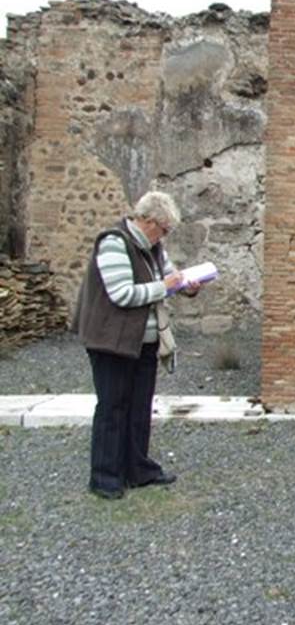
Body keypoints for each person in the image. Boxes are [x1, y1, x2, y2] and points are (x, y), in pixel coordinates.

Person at [72, 191, 202, 500]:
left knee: (139, 407)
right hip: (111, 342)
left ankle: (138, 469)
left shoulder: (154, 247)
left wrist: (186, 286)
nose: (165, 236)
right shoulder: (114, 243)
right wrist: (164, 287)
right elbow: (122, 294)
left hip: (144, 342)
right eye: (164, 229)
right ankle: (105, 477)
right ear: (147, 221)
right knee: (112, 407)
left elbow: (171, 276)